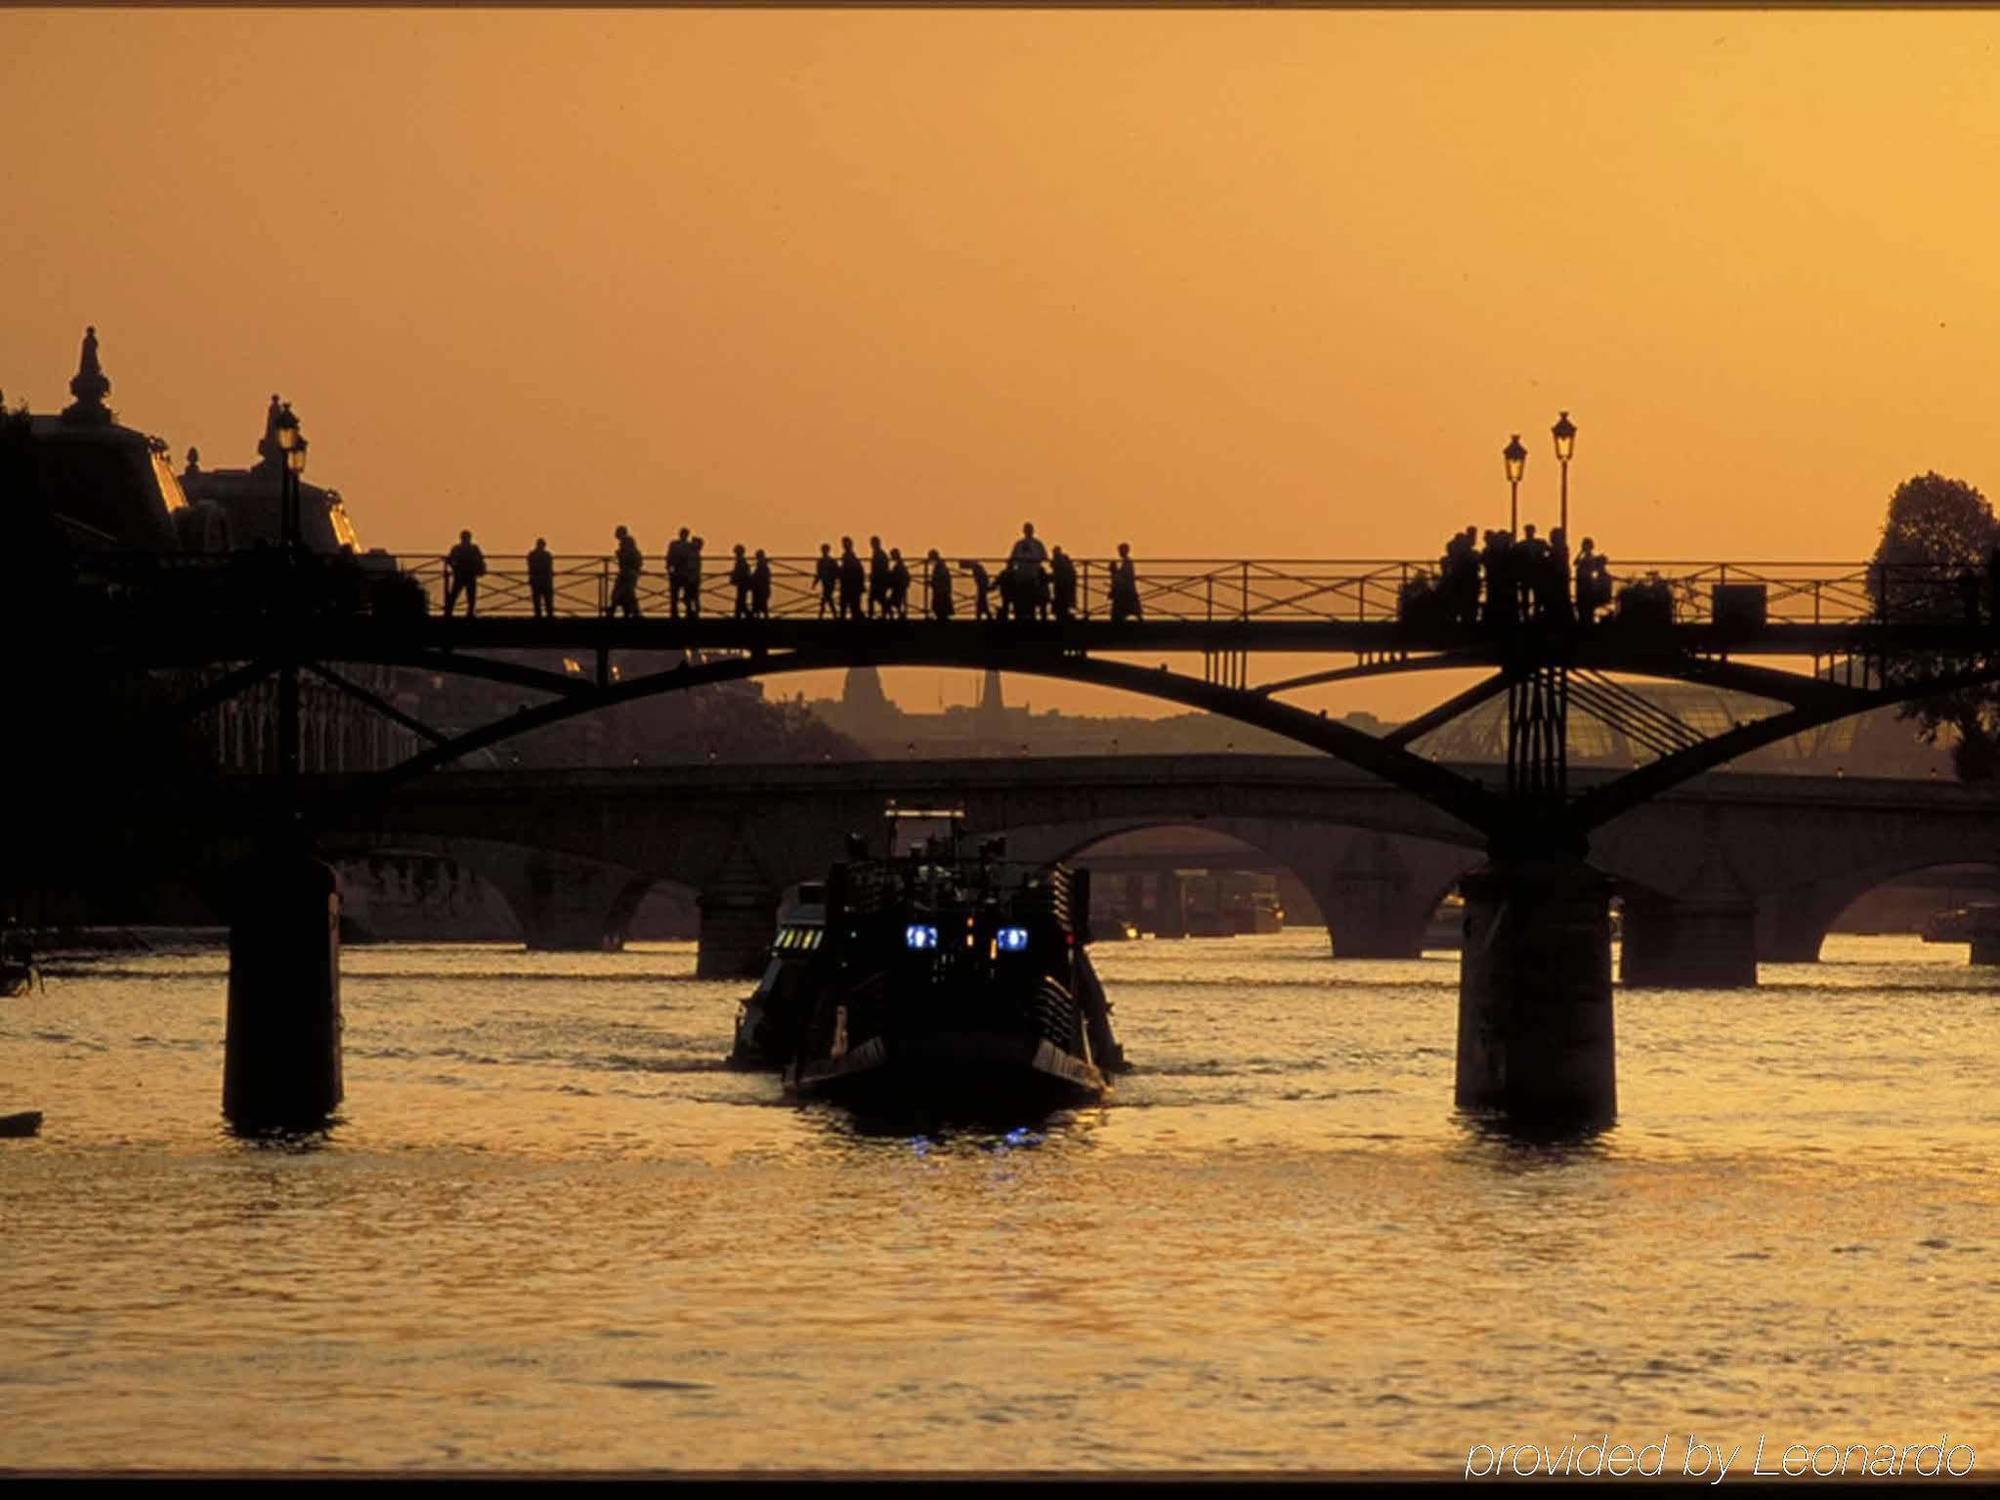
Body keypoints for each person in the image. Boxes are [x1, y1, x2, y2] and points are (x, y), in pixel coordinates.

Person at [1008, 522, 1048, 621]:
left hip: (1026, 575)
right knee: (1029, 598)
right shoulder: (1036, 544)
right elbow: (1044, 557)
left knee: (1026, 598)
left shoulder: (1020, 544)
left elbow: (1012, 559)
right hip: (1028, 576)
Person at [445, 529, 486, 618]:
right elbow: (480, 560)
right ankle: (469, 613)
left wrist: (454, 568)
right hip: (468, 575)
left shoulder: (457, 548)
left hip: (461, 575)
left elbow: (449, 560)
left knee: (457, 595)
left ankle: (449, 612)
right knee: (468, 595)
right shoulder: (473, 548)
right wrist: (481, 570)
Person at [608, 524, 643, 619]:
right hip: (629, 573)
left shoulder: (626, 543)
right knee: (626, 594)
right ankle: (631, 613)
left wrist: (619, 554)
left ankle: (615, 612)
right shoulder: (628, 543)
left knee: (620, 593)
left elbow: (627, 557)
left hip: (627, 573)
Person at [1109, 542, 1142, 624]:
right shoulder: (1127, 562)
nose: (1119, 552)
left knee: (1123, 608)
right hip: (1126, 589)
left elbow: (1124, 576)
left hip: (1125, 590)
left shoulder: (1127, 562)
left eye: (1120, 550)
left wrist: (1114, 571)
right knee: (1132, 607)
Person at [666, 526, 692, 618]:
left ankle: (674, 614)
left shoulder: (674, 544)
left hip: (677, 573)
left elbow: (669, 558)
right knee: (686, 595)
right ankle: (687, 612)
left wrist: (669, 569)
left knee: (675, 596)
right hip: (685, 574)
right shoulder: (689, 546)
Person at [527, 536, 556, 619]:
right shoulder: (547, 555)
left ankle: (538, 615)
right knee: (547, 600)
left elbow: (530, 567)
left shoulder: (532, 555)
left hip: (536, 580)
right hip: (545, 581)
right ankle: (549, 615)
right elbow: (550, 568)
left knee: (537, 600)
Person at [838, 536, 866, 621]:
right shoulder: (852, 558)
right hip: (852, 585)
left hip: (849, 585)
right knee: (852, 606)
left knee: (848, 605)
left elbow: (847, 571)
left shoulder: (848, 557)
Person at [1050, 545, 1078, 622]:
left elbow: (1057, 571)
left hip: (1062, 584)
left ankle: (1062, 615)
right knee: (1064, 602)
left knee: (1061, 601)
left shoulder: (1059, 560)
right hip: (1065, 584)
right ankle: (1063, 614)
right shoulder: (1064, 560)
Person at [868, 535, 891, 619]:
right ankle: (886, 614)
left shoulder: (879, 554)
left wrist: (874, 576)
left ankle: (873, 615)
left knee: (875, 599)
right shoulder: (880, 554)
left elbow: (880, 568)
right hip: (879, 580)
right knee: (879, 599)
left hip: (879, 581)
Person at [927, 549, 954, 620]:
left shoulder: (939, 566)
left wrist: (932, 582)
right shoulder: (941, 565)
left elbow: (939, 577)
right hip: (942, 590)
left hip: (941, 590)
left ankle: (941, 620)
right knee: (940, 607)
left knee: (939, 607)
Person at [815, 542, 838, 618]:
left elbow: (819, 573)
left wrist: (815, 582)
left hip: (828, 582)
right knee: (827, 598)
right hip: (829, 582)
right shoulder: (831, 561)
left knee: (826, 598)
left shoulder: (821, 561)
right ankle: (833, 614)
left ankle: (822, 614)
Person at [730, 543, 753, 618]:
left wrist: (734, 576)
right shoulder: (742, 560)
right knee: (740, 600)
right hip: (743, 583)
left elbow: (740, 571)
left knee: (740, 600)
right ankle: (739, 614)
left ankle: (746, 615)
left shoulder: (740, 560)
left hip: (742, 583)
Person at [887, 547, 911, 619]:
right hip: (900, 587)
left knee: (890, 603)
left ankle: (895, 616)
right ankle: (900, 615)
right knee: (897, 604)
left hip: (898, 587)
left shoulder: (899, 565)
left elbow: (897, 576)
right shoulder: (900, 564)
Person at [685, 536, 705, 617]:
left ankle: (692, 612)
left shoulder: (693, 554)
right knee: (693, 597)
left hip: (692, 579)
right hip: (694, 578)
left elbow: (691, 567)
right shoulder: (696, 554)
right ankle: (694, 611)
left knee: (690, 597)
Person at [751, 549, 773, 618]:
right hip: (763, 589)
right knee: (763, 606)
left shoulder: (761, 566)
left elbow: (759, 577)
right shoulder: (765, 566)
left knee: (760, 605)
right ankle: (764, 618)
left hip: (760, 589)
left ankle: (761, 618)